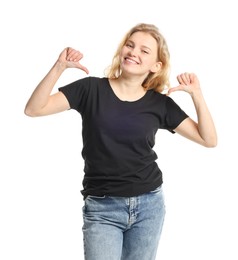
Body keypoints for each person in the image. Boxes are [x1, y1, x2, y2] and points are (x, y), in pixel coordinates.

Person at [24, 23, 217, 260]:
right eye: (130, 45)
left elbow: (208, 139)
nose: (133, 52)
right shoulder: (90, 89)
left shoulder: (160, 104)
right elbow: (34, 109)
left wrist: (197, 94)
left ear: (156, 66)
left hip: (149, 205)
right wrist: (59, 67)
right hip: (102, 208)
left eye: (144, 51)